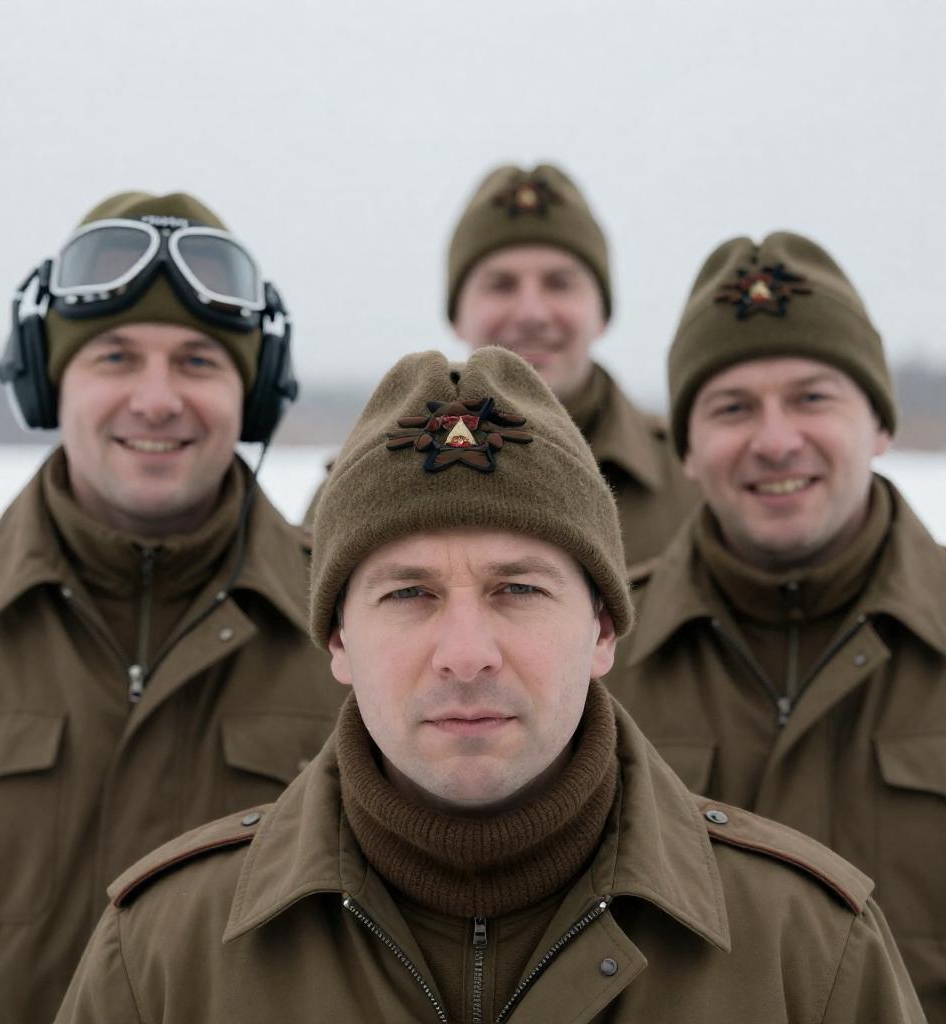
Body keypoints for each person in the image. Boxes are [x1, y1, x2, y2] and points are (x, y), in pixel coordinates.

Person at [56, 347, 922, 1023]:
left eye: (518, 590)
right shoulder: (165, 955)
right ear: (338, 640)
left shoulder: (806, 951)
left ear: (603, 630)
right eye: (409, 594)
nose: (466, 653)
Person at [0, 191, 346, 1024]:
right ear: (46, 382)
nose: (156, 400)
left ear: (255, 394)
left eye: (198, 362)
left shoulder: (354, 622)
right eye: (114, 358)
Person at [605, 230, 945, 1020]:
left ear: (880, 424)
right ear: (687, 449)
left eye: (812, 398)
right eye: (732, 408)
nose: (776, 440)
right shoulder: (594, 658)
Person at [446, 162, 699, 564]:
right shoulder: (382, 477)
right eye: (501, 285)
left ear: (603, 314)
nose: (532, 313)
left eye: (559, 283)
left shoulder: (695, 481)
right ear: (457, 316)